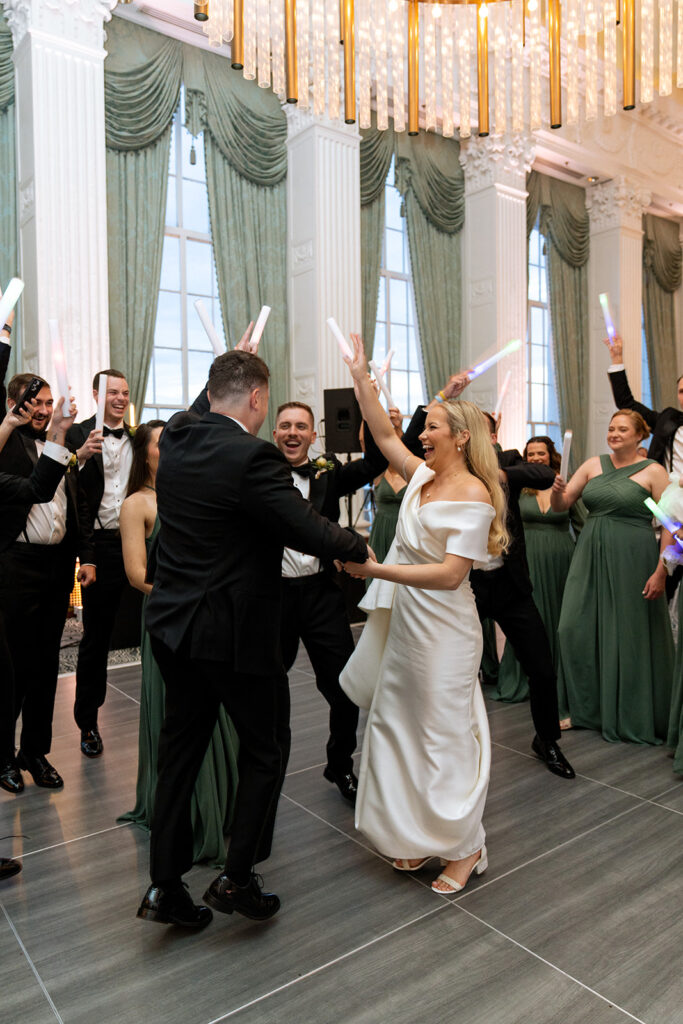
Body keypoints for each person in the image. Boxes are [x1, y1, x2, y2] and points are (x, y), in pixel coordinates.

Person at [136, 350, 370, 930]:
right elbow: (301, 525)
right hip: (233, 634)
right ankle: (236, 878)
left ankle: (164, 887)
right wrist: (356, 548)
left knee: (179, 755)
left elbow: (199, 408)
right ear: (259, 399)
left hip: (174, 628)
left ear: (211, 392)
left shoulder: (179, 437)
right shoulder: (252, 455)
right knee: (264, 751)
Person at [339, 334, 508, 895]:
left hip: (446, 630)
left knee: (442, 736)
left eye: (433, 425)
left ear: (460, 437)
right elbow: (383, 433)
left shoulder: (475, 494)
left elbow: (450, 575)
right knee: (396, 725)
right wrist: (362, 375)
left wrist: (374, 572)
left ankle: (467, 845)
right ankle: (413, 835)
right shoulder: (422, 478)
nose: (422, 433)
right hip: (408, 625)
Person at [403, 400, 576, 780]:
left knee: (541, 669)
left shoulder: (509, 461)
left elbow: (544, 474)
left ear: (487, 435)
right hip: (466, 584)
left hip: (510, 586)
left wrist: (501, 476)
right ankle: (435, 746)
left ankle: (547, 740)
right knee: (447, 665)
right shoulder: (443, 471)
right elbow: (408, 445)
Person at [118, 420, 239, 862]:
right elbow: (136, 575)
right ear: (146, 455)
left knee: (218, 712)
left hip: (210, 620)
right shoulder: (137, 503)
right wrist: (194, 592)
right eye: (162, 444)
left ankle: (225, 803)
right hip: (170, 620)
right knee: (180, 718)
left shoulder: (193, 494)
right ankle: (186, 815)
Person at [273, 400, 386, 803]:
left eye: (301, 426)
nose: (292, 433)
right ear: (274, 434)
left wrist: (365, 403)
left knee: (344, 688)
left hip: (321, 594)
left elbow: (374, 462)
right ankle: (263, 774)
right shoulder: (260, 474)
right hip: (273, 597)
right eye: (285, 425)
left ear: (313, 435)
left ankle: (340, 765)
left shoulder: (329, 474)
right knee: (268, 689)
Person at [553, 409, 675, 744]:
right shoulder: (593, 464)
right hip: (590, 552)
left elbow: (670, 524)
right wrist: (556, 489)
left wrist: (661, 570)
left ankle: (630, 711)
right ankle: (583, 708)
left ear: (640, 436)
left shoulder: (653, 471)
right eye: (611, 428)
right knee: (572, 626)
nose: (614, 433)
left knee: (629, 632)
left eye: (622, 429)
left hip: (633, 556)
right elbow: (562, 504)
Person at [0, 374, 95, 790]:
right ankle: (2, 756)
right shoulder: (6, 446)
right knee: (11, 669)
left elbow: (79, 505)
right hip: (16, 566)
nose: (40, 410)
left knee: (46, 665)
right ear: (13, 403)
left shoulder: (65, 445)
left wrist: (85, 556)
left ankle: (34, 752)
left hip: (57, 566)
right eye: (32, 402)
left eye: (46, 402)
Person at [67, 370, 135, 759]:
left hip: (137, 545)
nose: (120, 398)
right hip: (99, 549)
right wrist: (79, 457)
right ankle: (88, 723)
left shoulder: (139, 438)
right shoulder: (76, 435)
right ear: (96, 394)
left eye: (125, 392)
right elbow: (62, 490)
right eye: (112, 392)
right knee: (96, 639)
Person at [493, 435, 582, 728]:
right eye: (530, 453)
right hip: (526, 560)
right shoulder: (518, 486)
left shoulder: (564, 484)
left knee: (559, 622)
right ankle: (522, 681)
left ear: (551, 455)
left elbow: (581, 525)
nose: (535, 458)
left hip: (561, 561)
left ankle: (559, 686)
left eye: (540, 453)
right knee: (531, 622)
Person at [605, 333, 683, 470]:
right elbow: (626, 403)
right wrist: (617, 359)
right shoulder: (668, 419)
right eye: (682, 392)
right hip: (665, 489)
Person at [367, 405, 406, 566]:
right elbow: (366, 442)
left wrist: (399, 426)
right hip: (381, 532)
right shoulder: (379, 472)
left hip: (405, 531)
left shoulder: (411, 473)